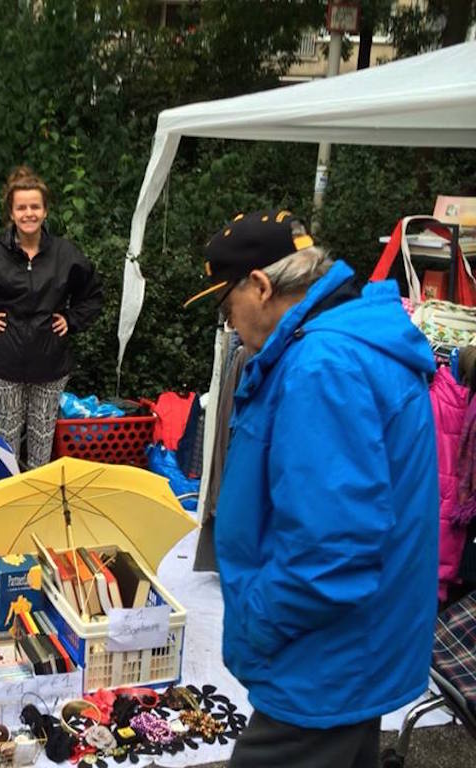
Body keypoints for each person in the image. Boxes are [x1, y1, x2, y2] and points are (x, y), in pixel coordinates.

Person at [185, 210, 438, 768]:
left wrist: (257, 624)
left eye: (227, 306)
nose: (229, 324)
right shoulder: (344, 342)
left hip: (326, 658)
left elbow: (332, 549)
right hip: (350, 647)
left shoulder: (321, 366)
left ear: (260, 286)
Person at [0, 166, 103, 468]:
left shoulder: (66, 255)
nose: (28, 213)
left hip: (51, 362)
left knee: (42, 437)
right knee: (5, 437)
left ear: (45, 211)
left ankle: (36, 500)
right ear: (12, 212)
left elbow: (93, 293)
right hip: (5, 361)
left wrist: (71, 320)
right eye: (22, 207)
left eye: (35, 206)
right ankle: (8, 497)